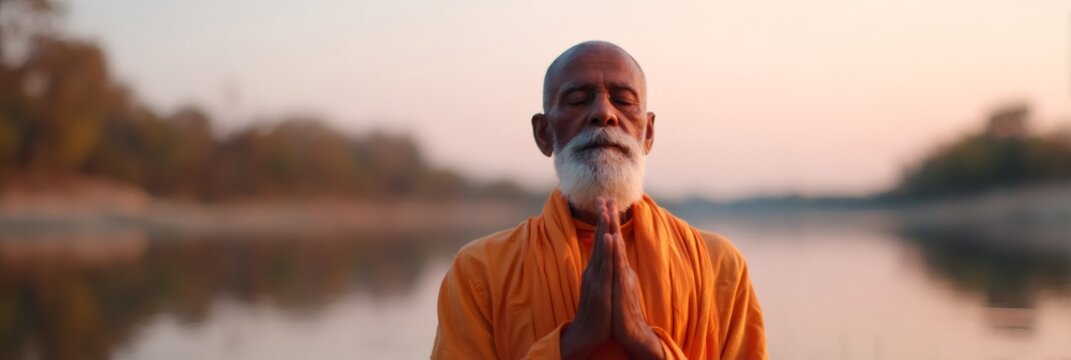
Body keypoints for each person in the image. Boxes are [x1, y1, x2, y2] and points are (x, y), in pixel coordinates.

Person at [431, 40, 767, 359]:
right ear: (544, 134)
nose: (603, 113)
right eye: (578, 100)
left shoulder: (718, 266)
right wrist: (575, 340)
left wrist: (645, 341)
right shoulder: (481, 272)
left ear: (647, 133)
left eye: (623, 100)